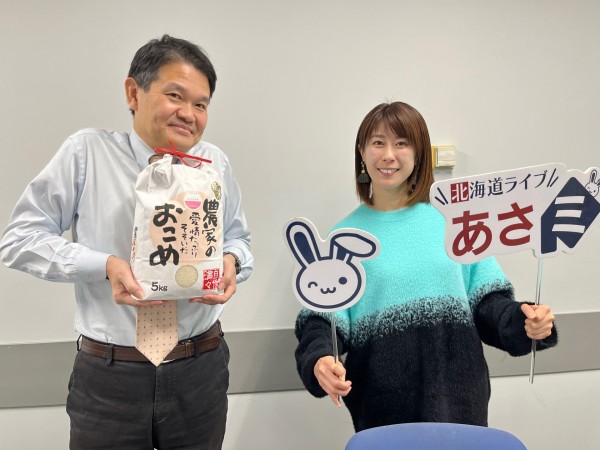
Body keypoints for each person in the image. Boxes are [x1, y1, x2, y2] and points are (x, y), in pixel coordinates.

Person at [0, 35, 253, 449]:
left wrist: (232, 262)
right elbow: (20, 238)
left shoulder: (214, 163)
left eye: (201, 104)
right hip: (111, 374)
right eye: (175, 96)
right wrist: (105, 266)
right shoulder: (87, 152)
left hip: (200, 367)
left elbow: (239, 238)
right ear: (134, 93)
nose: (188, 114)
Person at [294, 101, 557, 432]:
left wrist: (525, 321)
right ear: (362, 152)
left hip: (461, 405)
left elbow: (490, 305)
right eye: (378, 143)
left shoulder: (458, 223)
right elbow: (321, 322)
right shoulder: (341, 239)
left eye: (402, 143)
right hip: (381, 413)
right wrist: (320, 358)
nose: (389, 155)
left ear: (419, 154)